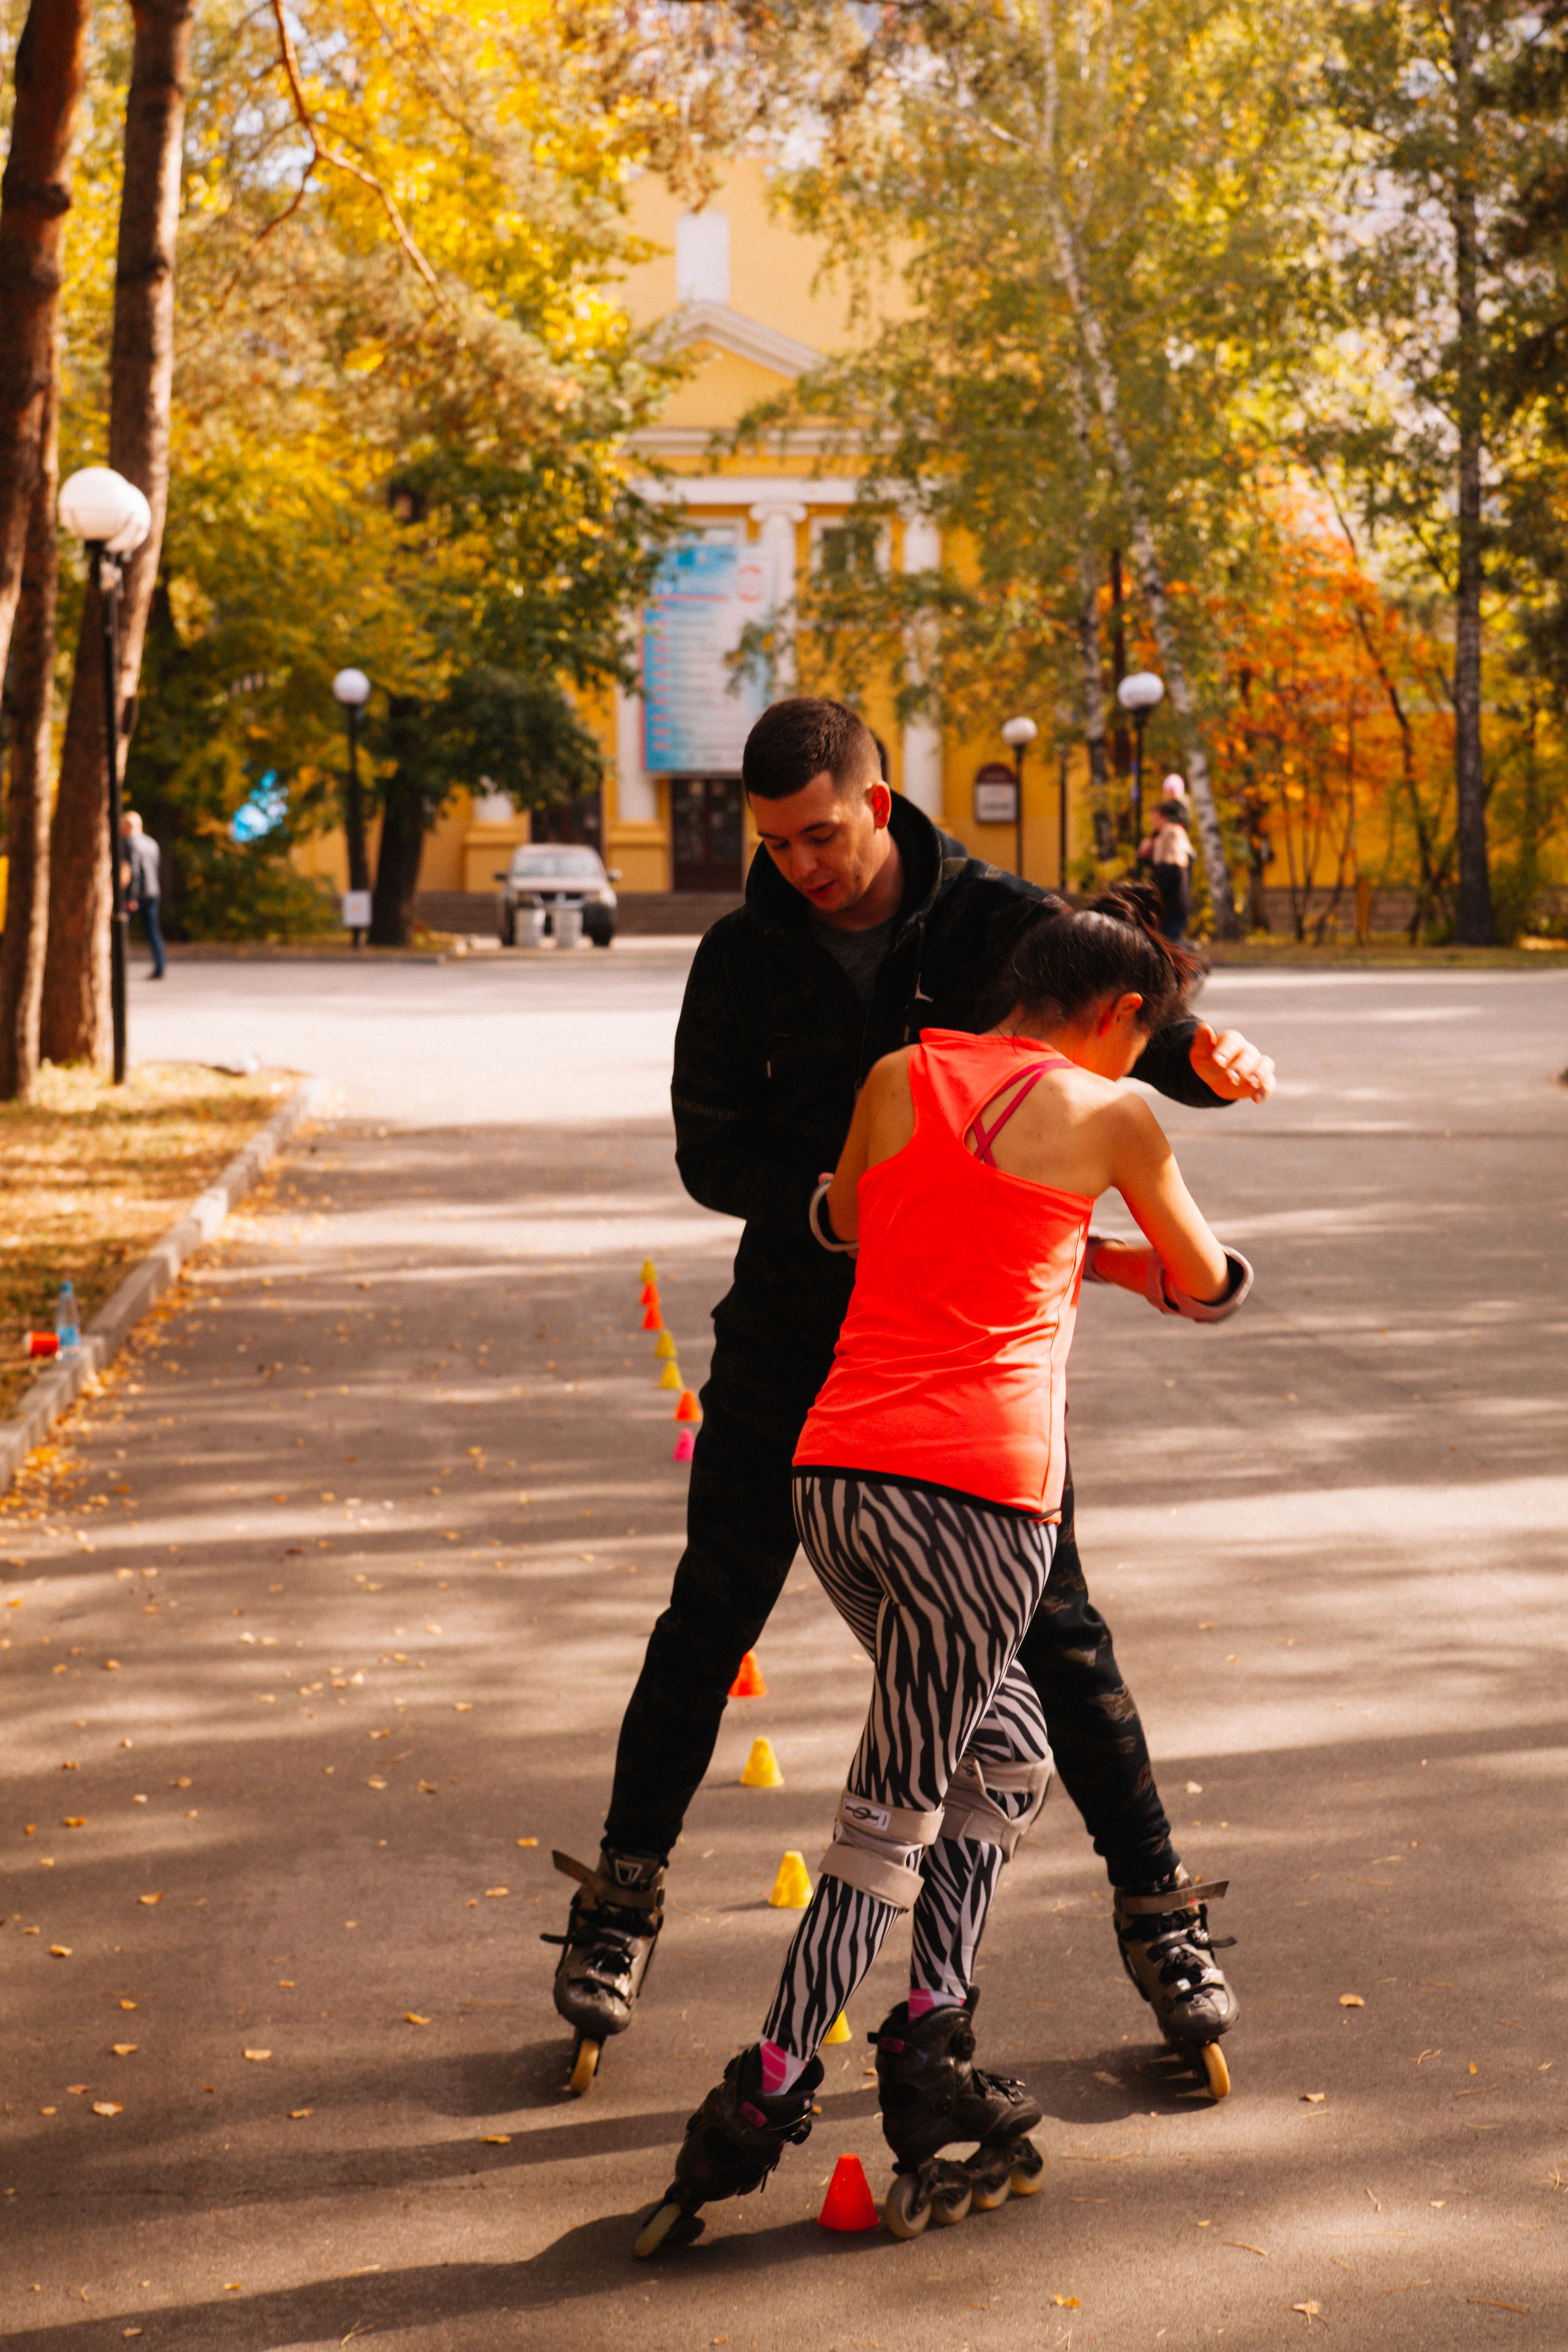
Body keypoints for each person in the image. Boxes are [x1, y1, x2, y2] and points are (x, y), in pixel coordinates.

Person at [545, 698, 1273, 2094]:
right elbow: (711, 1155)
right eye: (775, 843)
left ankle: (1160, 1916)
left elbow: (1111, 1000)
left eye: (818, 834)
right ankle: (618, 1905)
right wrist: (836, 1214)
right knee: (710, 1611)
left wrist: (1197, 1059)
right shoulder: (739, 954)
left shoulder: (986, 915)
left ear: (873, 802)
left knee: (1058, 1634)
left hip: (963, 1368)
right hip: (795, 1339)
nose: (801, 865)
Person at [634, 887, 1253, 2253]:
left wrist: (1065, 1253)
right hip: (977, 1500)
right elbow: (1207, 1281)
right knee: (887, 1825)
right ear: (1114, 1017)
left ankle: (927, 2040)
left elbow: (858, 1224)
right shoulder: (1112, 1115)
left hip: (838, 1479)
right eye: (1132, 1037)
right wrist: (1149, 1266)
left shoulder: (896, 1074)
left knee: (1008, 1751)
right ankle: (761, 2101)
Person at [1139, 776, 1194, 942]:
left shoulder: (1171, 833)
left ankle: (1194, 970)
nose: (1152, 823)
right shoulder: (1166, 835)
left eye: (1154, 819)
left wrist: (1153, 894)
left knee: (1170, 947)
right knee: (1170, 945)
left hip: (1172, 904)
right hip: (1173, 904)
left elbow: (1167, 870)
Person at [121, 811, 165, 978]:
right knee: (153, 932)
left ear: (127, 826)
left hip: (138, 895)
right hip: (153, 892)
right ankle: (160, 966)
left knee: (121, 931)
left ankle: (117, 966)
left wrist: (131, 897)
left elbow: (134, 872)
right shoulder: (151, 843)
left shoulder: (130, 844)